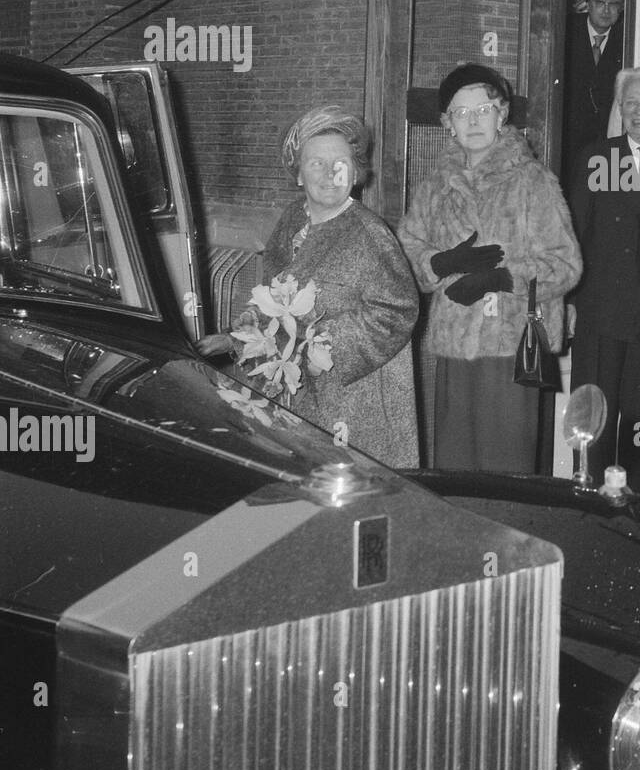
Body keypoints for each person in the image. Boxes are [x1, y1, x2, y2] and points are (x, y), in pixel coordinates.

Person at [198, 105, 420, 467]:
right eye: (317, 162)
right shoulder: (290, 221)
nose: (331, 172)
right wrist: (239, 334)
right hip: (298, 400)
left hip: (354, 405)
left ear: (356, 172)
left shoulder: (370, 233)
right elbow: (275, 292)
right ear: (298, 174)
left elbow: (396, 311)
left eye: (341, 162)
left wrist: (325, 346)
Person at [398, 64, 581, 473]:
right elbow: (406, 253)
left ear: (501, 114)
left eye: (482, 109)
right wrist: (442, 262)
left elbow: (565, 264)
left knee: (505, 469)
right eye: (461, 113)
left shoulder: (533, 182)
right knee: (454, 467)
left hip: (511, 348)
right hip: (454, 348)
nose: (473, 120)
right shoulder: (435, 186)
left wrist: (502, 277)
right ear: (448, 124)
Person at [568, 65, 640, 494]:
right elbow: (573, 235)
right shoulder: (597, 158)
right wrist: (567, 299)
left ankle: (639, 517)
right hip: (601, 316)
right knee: (594, 422)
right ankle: (589, 505)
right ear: (620, 110)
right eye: (631, 104)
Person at [562, 0, 625, 175]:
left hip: (608, 142)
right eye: (600, 2)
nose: (606, 10)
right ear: (587, 4)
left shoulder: (630, 39)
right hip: (566, 141)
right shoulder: (565, 30)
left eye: (614, 4)